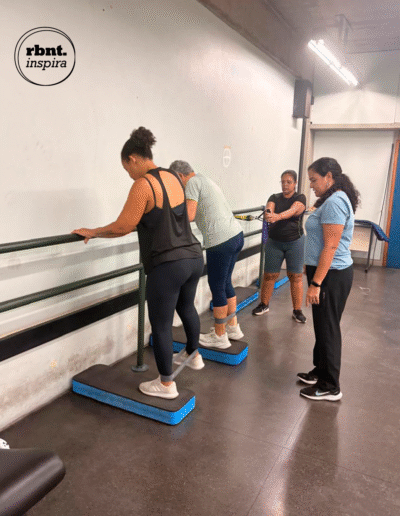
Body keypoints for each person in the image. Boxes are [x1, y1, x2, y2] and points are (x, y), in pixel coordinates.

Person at [73, 127, 205, 400]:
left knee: (161, 324)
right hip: (193, 256)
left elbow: (123, 226)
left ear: (133, 159)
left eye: (127, 168)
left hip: (167, 264)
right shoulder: (173, 176)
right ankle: (194, 355)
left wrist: (94, 232)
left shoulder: (143, 184)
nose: (129, 175)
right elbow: (168, 216)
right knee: (186, 307)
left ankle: (166, 385)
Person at [298, 157, 360, 401]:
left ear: (329, 177)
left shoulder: (335, 202)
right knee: (322, 326)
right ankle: (320, 371)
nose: (311, 185)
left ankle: (330, 386)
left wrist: (316, 283)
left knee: (328, 328)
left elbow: (331, 246)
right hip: (326, 272)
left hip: (331, 275)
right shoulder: (331, 199)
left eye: (314, 180)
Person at [169, 161, 244, 349]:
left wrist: (167, 217)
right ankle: (233, 327)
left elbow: (189, 215)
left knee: (217, 286)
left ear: (180, 176)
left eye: (175, 181)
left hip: (220, 241)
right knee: (225, 283)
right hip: (235, 235)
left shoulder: (192, 183)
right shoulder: (205, 179)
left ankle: (219, 336)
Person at [252, 170, 307, 323]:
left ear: (295, 183)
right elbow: (269, 208)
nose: (285, 185)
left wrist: (278, 216)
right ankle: (264, 305)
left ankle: (297, 310)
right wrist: (269, 213)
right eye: (283, 182)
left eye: (289, 182)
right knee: (269, 275)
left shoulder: (300, 198)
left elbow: (293, 210)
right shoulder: (274, 197)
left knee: (295, 276)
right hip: (274, 242)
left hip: (295, 242)